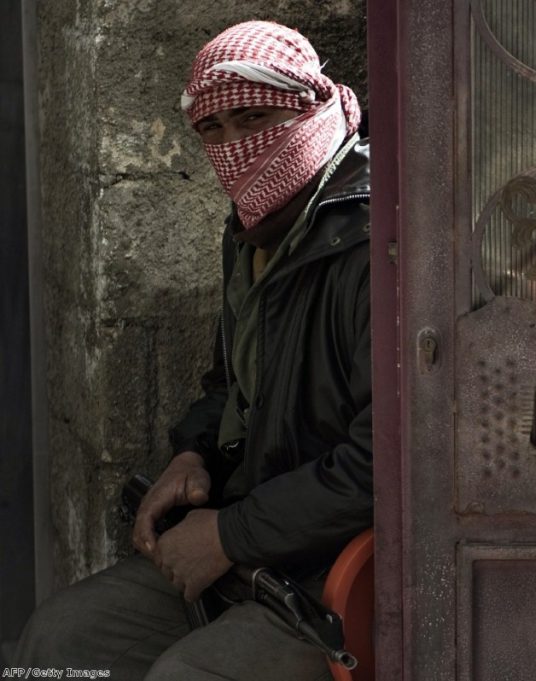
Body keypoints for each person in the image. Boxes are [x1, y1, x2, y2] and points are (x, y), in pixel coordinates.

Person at [14, 20, 373, 681]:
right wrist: (192, 453)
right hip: (246, 543)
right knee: (58, 642)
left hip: (338, 571)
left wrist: (227, 536)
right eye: (215, 129)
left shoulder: (376, 244)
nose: (237, 146)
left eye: (256, 117)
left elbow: (385, 462)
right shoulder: (253, 230)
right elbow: (229, 384)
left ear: (310, 104)